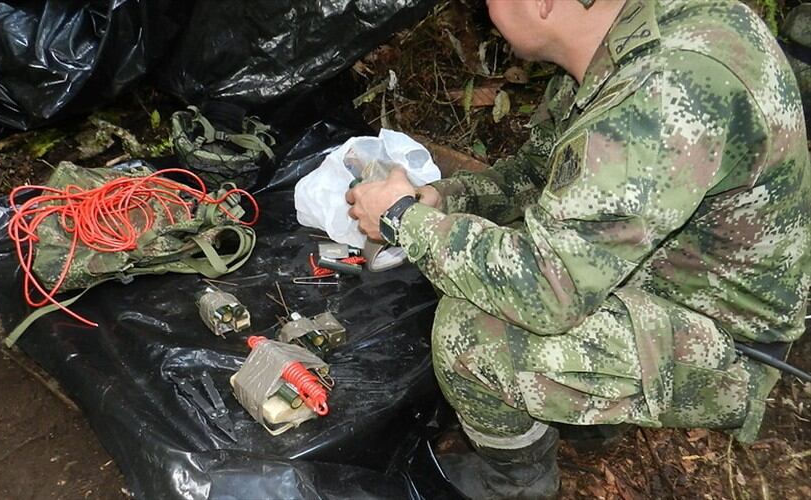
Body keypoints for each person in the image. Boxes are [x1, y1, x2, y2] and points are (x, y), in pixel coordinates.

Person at [345, 0, 811, 498]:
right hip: (673, 276)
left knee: (471, 329)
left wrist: (402, 219)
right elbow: (535, 176)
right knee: (486, 261)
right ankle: (589, 413)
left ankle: (517, 484)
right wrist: (446, 198)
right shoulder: (614, 45)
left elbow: (548, 293)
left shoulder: (658, 93)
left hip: (728, 339)